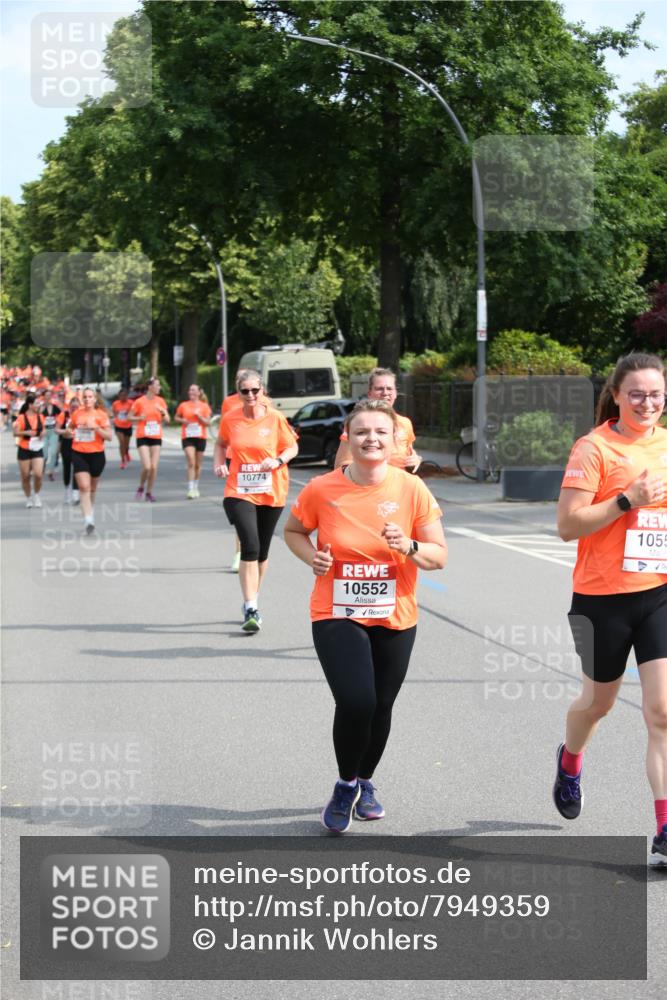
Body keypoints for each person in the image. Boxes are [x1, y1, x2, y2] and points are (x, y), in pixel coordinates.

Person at [284, 399, 447, 832]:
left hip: (395, 613)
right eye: (361, 433)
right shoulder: (322, 488)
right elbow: (294, 530)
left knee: (382, 706)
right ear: (348, 439)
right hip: (335, 610)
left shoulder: (412, 490)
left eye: (380, 432)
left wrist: (409, 546)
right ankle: (344, 784)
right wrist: (311, 558)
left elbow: (438, 556)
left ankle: (365, 782)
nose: (371, 439)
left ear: (395, 440)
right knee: (358, 700)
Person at [554, 352, 667, 867]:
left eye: (657, 394)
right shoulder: (594, 447)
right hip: (601, 598)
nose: (648, 403)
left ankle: (665, 829)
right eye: (638, 394)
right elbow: (569, 525)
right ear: (617, 395)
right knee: (596, 706)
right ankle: (571, 760)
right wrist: (628, 499)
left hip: (659, 592)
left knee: (661, 712)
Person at [214, 369, 298, 632]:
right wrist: (219, 464)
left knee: (262, 552)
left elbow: (292, 447)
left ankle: (253, 600)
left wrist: (278, 460)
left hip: (271, 489)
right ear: (238, 393)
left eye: (255, 390)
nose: (250, 395)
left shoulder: (275, 418)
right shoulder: (231, 418)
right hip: (239, 490)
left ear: (263, 391)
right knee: (249, 544)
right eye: (244, 391)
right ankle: (251, 607)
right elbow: (220, 444)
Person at [335, 368, 421, 473]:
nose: (385, 393)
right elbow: (341, 465)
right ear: (370, 393)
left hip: (400, 485)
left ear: (395, 393)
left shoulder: (405, 423)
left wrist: (416, 459)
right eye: (379, 389)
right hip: (369, 486)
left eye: (389, 388)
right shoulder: (358, 422)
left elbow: (409, 452)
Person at [68, 387, 113, 534]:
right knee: (84, 487)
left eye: (90, 397)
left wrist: (96, 428)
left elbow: (109, 436)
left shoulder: (101, 415)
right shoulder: (76, 414)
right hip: (79, 453)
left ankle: (90, 510)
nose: (87, 399)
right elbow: (70, 428)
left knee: (92, 488)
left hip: (97, 455)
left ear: (95, 399)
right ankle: (88, 519)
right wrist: (70, 432)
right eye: (85, 397)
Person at [129, 377, 170, 501]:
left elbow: (167, 420)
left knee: (154, 467)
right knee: (147, 466)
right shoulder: (139, 402)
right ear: (150, 387)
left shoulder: (161, 401)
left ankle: (149, 492)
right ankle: (141, 486)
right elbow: (129, 417)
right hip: (143, 436)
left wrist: (163, 412)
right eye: (157, 385)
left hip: (156, 436)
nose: (159, 387)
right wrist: (139, 418)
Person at [175, 384, 213, 498]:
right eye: (189, 389)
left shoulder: (204, 406)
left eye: (193, 390)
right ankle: (190, 488)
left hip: (200, 437)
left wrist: (200, 416)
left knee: (198, 464)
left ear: (198, 393)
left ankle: (196, 486)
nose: (190, 391)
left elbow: (208, 423)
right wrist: (183, 420)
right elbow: (176, 417)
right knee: (191, 461)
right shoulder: (183, 405)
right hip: (187, 437)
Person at [13, 394, 45, 507]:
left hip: (37, 448)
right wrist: (25, 433)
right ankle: (28, 497)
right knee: (25, 476)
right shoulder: (21, 418)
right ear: (30, 405)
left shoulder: (41, 416)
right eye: (36, 403)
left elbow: (44, 429)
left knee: (38, 474)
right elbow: (15, 433)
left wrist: (43, 433)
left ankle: (36, 495)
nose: (39, 405)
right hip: (24, 448)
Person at [55, 395, 80, 504]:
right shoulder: (63, 415)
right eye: (72, 407)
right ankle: (67, 490)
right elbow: (56, 429)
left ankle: (75, 492)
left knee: (77, 467)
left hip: (78, 444)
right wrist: (65, 431)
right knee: (67, 467)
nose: (74, 409)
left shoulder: (82, 415)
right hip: (66, 443)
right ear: (69, 406)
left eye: (76, 407)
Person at [40, 389, 62, 481]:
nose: (48, 397)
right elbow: (37, 419)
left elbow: (62, 416)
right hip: (44, 431)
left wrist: (58, 426)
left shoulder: (55, 407)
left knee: (53, 452)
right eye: (46, 395)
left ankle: (51, 471)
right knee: (44, 453)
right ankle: (42, 468)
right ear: (44, 397)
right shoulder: (41, 407)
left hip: (53, 431)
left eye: (49, 395)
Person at [111, 388, 133, 468]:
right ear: (119, 396)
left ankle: (126, 452)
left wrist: (129, 413)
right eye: (121, 396)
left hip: (128, 426)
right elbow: (113, 413)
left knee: (126, 444)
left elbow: (133, 412)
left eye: (125, 395)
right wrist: (113, 417)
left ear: (127, 396)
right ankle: (123, 460)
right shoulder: (115, 403)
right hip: (118, 425)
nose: (123, 397)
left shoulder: (131, 403)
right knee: (121, 442)